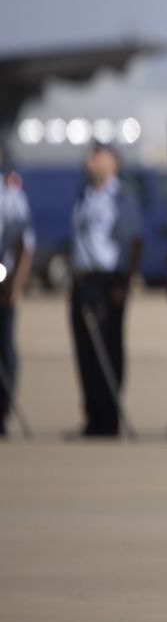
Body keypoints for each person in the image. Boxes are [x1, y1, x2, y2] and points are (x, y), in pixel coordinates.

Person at [68, 142, 143, 438]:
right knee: (85, 351)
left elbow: (135, 242)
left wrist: (125, 282)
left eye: (97, 156)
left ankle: (109, 418)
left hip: (108, 281)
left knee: (108, 349)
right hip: (82, 280)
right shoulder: (84, 195)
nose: (90, 160)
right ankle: (92, 417)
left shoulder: (121, 198)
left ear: (113, 163)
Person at [0, 144, 35, 438]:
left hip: (2, 276)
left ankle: (2, 410)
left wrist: (15, 286)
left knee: (4, 347)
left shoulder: (10, 195)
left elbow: (24, 244)